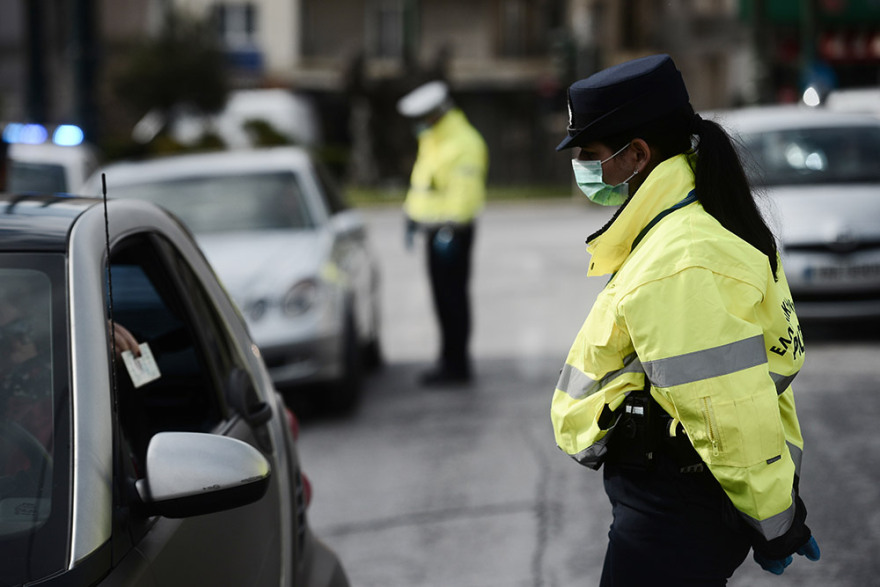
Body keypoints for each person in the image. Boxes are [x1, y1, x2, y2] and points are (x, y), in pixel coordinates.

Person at [549, 54, 820, 585]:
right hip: (673, 505)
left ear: (637, 155)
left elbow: (729, 413)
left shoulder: (684, 256)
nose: (583, 167)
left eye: (590, 154)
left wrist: (775, 524)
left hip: (674, 510)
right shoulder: (678, 229)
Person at [396, 80, 488, 386]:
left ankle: (457, 365)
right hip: (434, 231)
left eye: (423, 118)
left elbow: (465, 194)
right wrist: (411, 216)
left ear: (435, 114)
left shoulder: (463, 142)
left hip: (451, 234)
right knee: (442, 300)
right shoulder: (435, 139)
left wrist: (450, 229)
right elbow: (425, 185)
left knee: (452, 300)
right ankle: (448, 360)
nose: (419, 125)